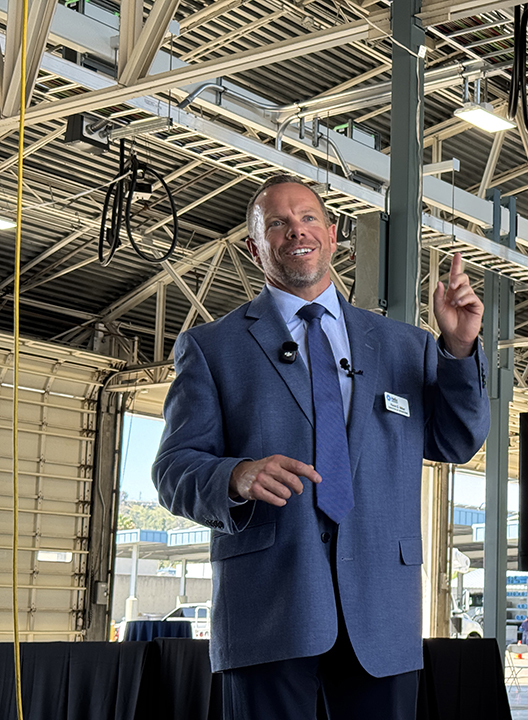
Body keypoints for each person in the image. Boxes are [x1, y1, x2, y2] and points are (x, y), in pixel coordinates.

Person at [153, 174, 490, 720]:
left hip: (380, 610)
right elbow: (173, 470)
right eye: (278, 224)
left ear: (332, 236)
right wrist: (236, 477)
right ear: (254, 246)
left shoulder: (406, 345)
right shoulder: (212, 348)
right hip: (268, 608)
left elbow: (457, 441)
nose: (296, 232)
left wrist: (458, 348)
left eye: (308, 218)